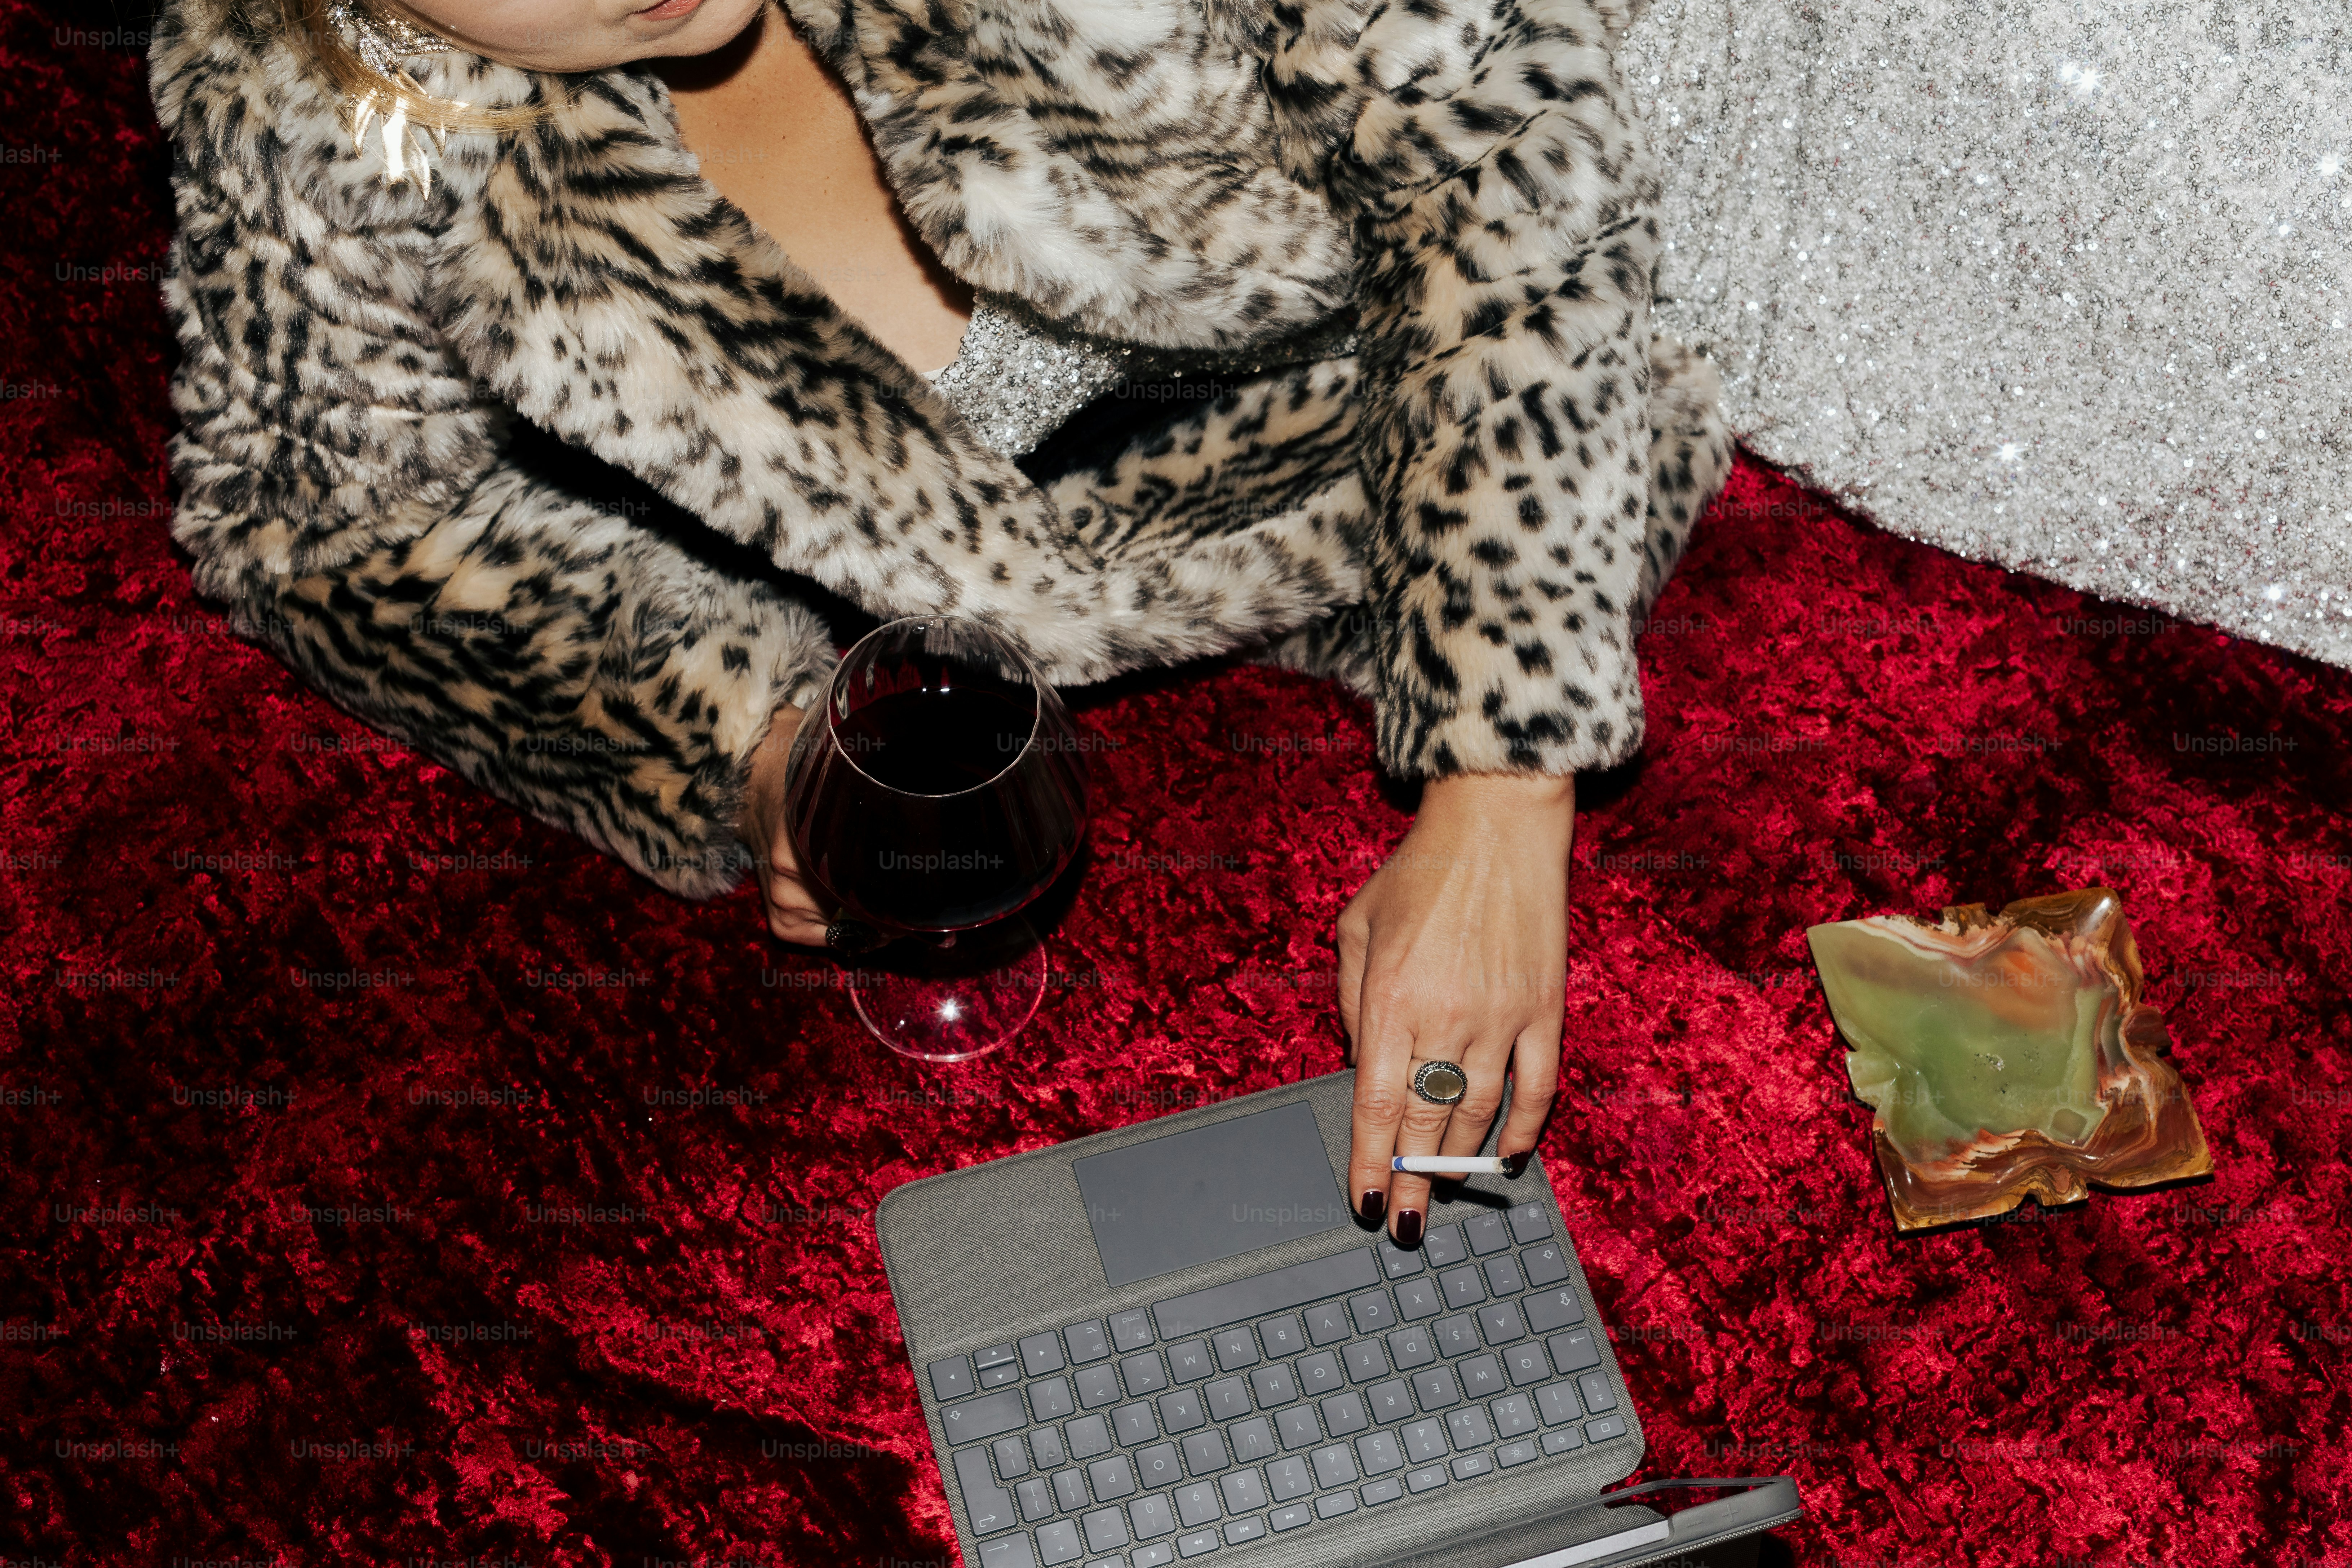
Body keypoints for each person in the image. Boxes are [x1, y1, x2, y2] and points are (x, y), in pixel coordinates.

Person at [148, 0, 1735, 1247]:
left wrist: (1504, 777)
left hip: (1550, 279)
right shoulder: (318, 95)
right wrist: (742, 738)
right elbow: (313, 520)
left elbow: (1498, 150)